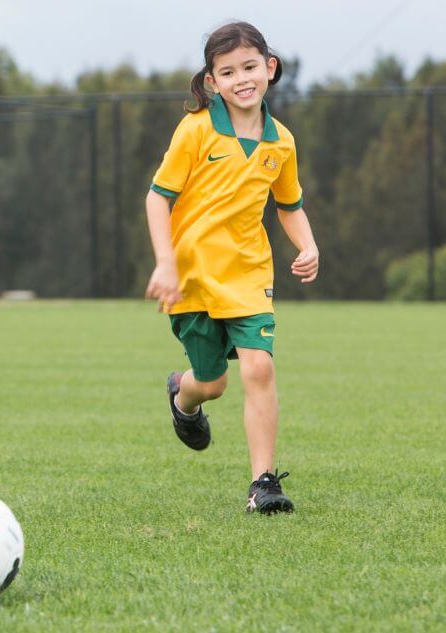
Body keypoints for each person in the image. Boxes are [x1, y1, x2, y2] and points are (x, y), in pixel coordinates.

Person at [144, 21, 319, 514]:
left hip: (249, 276)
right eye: (227, 71)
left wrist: (307, 245)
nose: (241, 78)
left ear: (270, 68)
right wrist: (166, 263)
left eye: (249, 67)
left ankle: (263, 483)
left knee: (260, 368)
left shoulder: (281, 141)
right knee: (214, 382)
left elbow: (289, 204)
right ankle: (184, 396)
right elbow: (158, 200)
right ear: (211, 82)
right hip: (193, 279)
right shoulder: (195, 130)